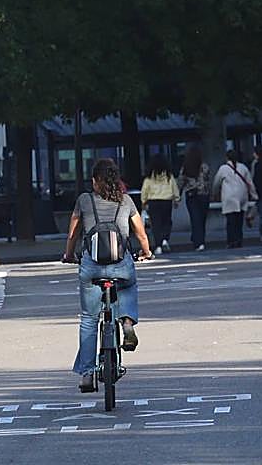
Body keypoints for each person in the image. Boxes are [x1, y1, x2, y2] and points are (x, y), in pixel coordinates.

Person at [62, 158, 153, 393]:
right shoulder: (126, 200)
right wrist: (146, 252)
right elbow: (140, 234)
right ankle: (127, 321)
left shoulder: (84, 200)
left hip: (91, 266)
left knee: (89, 319)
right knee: (129, 285)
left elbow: (73, 234)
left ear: (95, 181)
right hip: (121, 264)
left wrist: (69, 255)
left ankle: (86, 373)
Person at [141, 154, 179, 255]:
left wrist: (143, 201)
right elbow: (174, 188)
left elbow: (145, 190)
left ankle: (158, 246)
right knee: (166, 222)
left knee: (156, 224)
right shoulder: (168, 176)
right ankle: (165, 239)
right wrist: (176, 199)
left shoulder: (149, 177)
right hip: (167, 201)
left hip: (153, 202)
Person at [213, 149, 252, 248]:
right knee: (239, 221)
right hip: (242, 196)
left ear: (227, 157)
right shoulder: (243, 167)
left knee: (230, 221)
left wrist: (214, 193)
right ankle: (239, 239)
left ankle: (231, 241)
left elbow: (216, 183)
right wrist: (254, 195)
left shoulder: (223, 168)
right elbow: (249, 182)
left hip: (229, 197)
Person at [178, 146, 211, 251]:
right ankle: (200, 239)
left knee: (195, 218)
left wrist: (178, 194)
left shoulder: (186, 167)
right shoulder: (204, 167)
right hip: (204, 195)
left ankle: (198, 241)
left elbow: (181, 181)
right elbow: (208, 180)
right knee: (202, 218)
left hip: (191, 195)